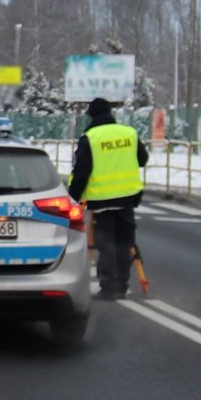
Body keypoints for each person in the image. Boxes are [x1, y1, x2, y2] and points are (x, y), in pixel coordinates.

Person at [68, 98, 149, 300]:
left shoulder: (90, 138)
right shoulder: (128, 133)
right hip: (128, 198)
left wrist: (72, 197)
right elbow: (143, 159)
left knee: (107, 244)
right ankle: (122, 284)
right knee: (124, 242)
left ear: (92, 116)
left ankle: (109, 287)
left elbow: (82, 171)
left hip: (102, 200)